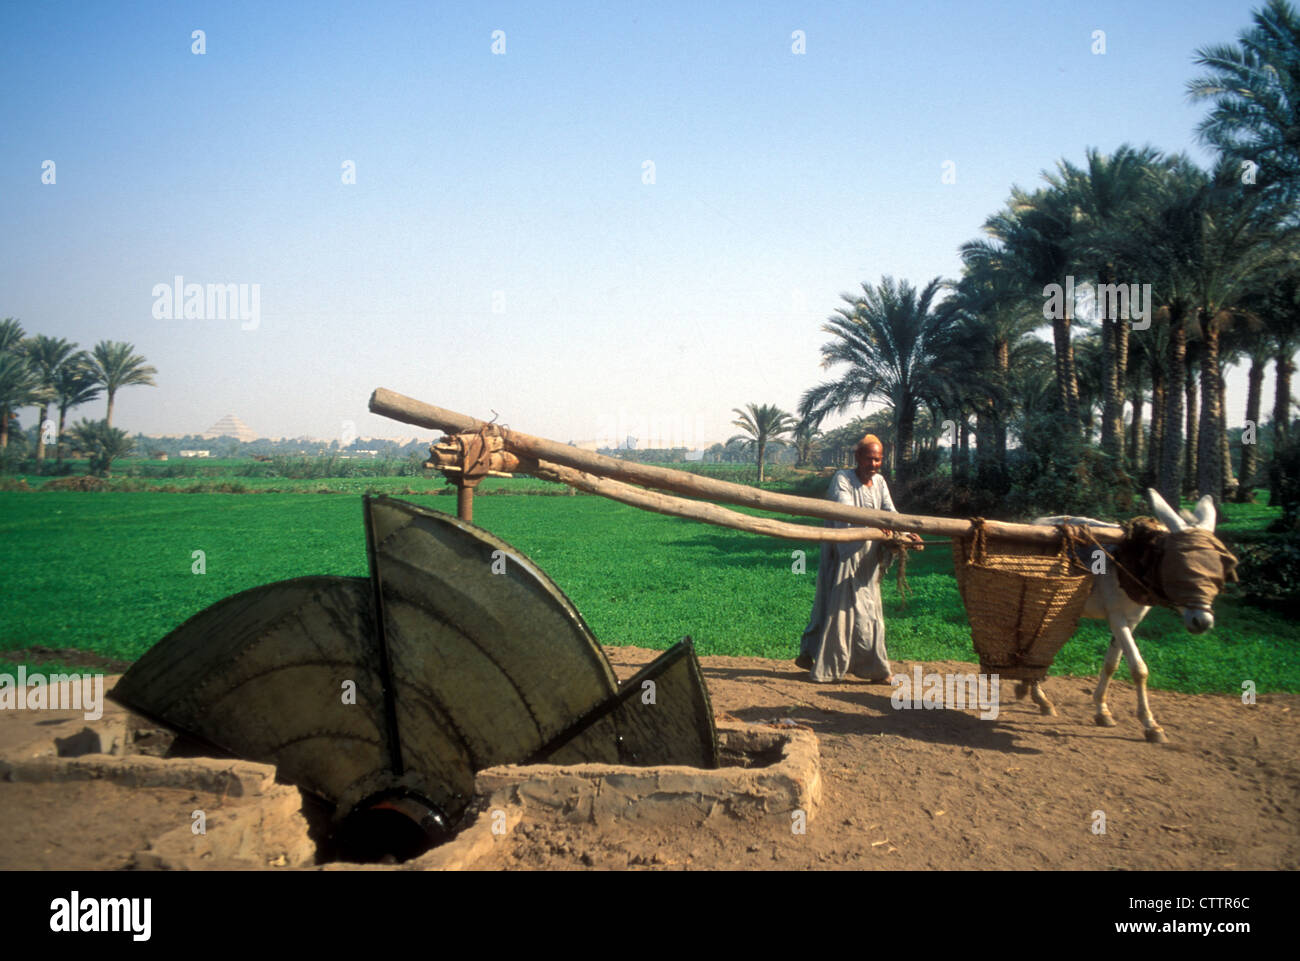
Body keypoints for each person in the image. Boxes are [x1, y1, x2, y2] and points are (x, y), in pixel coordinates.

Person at [795, 434, 920, 683]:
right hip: (843, 555)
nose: (874, 464)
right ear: (858, 458)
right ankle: (833, 667)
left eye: (878, 460)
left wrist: (906, 532)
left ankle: (873, 667)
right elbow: (846, 511)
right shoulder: (842, 479)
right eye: (870, 459)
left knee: (869, 609)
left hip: (869, 560)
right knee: (841, 609)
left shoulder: (880, 482)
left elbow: (890, 512)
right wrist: (877, 523)